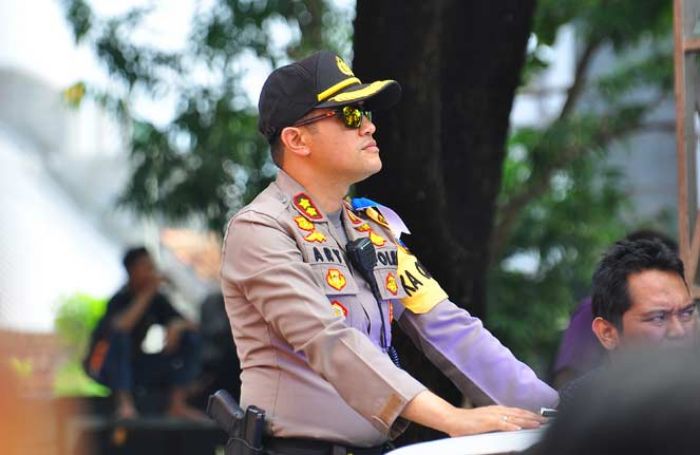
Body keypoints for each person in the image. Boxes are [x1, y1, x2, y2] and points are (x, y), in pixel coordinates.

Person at [220, 51, 557, 454]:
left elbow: (449, 329)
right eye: (349, 115)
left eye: (365, 112)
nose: (369, 125)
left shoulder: (374, 230)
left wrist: (562, 416)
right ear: (296, 139)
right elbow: (327, 338)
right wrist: (451, 417)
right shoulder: (260, 229)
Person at [558, 237, 697, 408]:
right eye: (658, 317)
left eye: (687, 313)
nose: (679, 331)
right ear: (606, 333)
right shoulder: (580, 408)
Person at [84, 247, 204, 420]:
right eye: (146, 266)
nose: (152, 271)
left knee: (191, 339)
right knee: (120, 337)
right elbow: (121, 328)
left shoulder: (158, 300)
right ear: (132, 270)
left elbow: (193, 325)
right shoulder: (120, 299)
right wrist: (147, 293)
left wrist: (178, 325)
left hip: (136, 367)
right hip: (102, 365)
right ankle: (124, 403)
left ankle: (177, 404)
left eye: (152, 266)